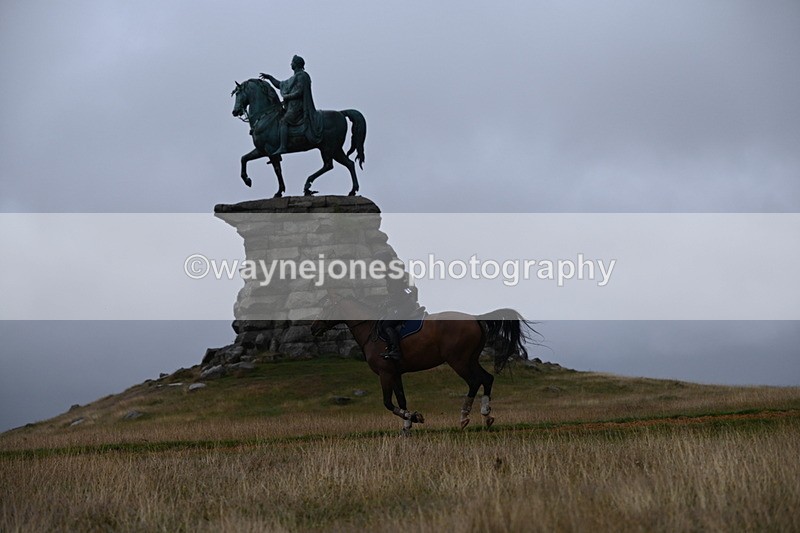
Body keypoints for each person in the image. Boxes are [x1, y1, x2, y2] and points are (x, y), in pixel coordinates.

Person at [260, 55, 324, 155]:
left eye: (292, 62)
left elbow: (300, 91)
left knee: (284, 121)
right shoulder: (293, 78)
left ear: (297, 64)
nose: (291, 64)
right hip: (291, 106)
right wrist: (270, 77)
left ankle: (283, 147)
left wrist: (287, 97)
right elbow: (280, 84)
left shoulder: (303, 76)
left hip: (298, 107)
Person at [380, 273, 419, 361]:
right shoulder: (401, 278)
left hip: (406, 306)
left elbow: (398, 297)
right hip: (408, 304)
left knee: (386, 324)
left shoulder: (395, 280)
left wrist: (386, 304)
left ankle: (395, 351)